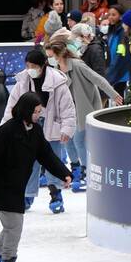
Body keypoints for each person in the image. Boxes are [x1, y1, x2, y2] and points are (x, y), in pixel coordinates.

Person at [0, 95, 73, 262]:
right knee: (14, 227)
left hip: (17, 187)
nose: (39, 115)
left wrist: (64, 173)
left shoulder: (35, 131)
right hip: (0, 187)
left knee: (10, 227)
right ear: (25, 110)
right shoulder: (7, 131)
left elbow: (46, 155)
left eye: (40, 111)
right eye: (36, 111)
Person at [44, 30, 124, 191]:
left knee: (79, 140)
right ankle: (76, 168)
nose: (49, 59)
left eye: (51, 56)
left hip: (83, 107)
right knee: (66, 140)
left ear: (59, 54)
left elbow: (98, 79)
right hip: (67, 111)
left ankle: (87, 171)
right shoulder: (56, 69)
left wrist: (113, 94)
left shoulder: (78, 65)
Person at [2, 47, 76, 214]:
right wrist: (5, 128)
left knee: (53, 160)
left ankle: (56, 193)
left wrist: (67, 129)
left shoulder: (58, 82)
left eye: (33, 66)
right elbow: (12, 106)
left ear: (43, 65)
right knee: (28, 161)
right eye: (28, 65)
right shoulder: (23, 81)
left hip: (52, 127)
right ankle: (27, 195)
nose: (30, 69)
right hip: (29, 127)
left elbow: (67, 108)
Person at [104, 6, 131, 97]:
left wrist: (112, 71)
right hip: (113, 69)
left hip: (120, 72)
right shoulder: (111, 30)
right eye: (109, 15)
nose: (110, 17)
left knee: (120, 99)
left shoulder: (122, 32)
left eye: (114, 15)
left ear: (120, 16)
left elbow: (121, 53)